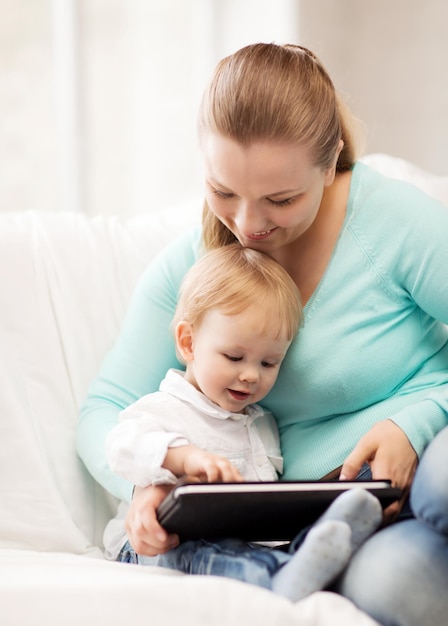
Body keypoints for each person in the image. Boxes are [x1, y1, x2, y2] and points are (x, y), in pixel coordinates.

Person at [76, 43, 448, 625]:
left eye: (281, 199)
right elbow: (104, 410)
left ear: (331, 167)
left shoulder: (392, 222)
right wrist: (150, 487)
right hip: (338, 515)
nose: (248, 225)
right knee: (402, 590)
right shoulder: (194, 271)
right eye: (223, 192)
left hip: (435, 444)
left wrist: (418, 420)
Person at [103, 243, 383, 602]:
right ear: (189, 343)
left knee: (258, 547)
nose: (251, 376)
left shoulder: (261, 422)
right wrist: (184, 458)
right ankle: (280, 578)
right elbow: (121, 445)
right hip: (153, 548)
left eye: (269, 363)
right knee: (203, 554)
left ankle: (323, 537)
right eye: (235, 357)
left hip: (242, 544)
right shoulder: (166, 407)